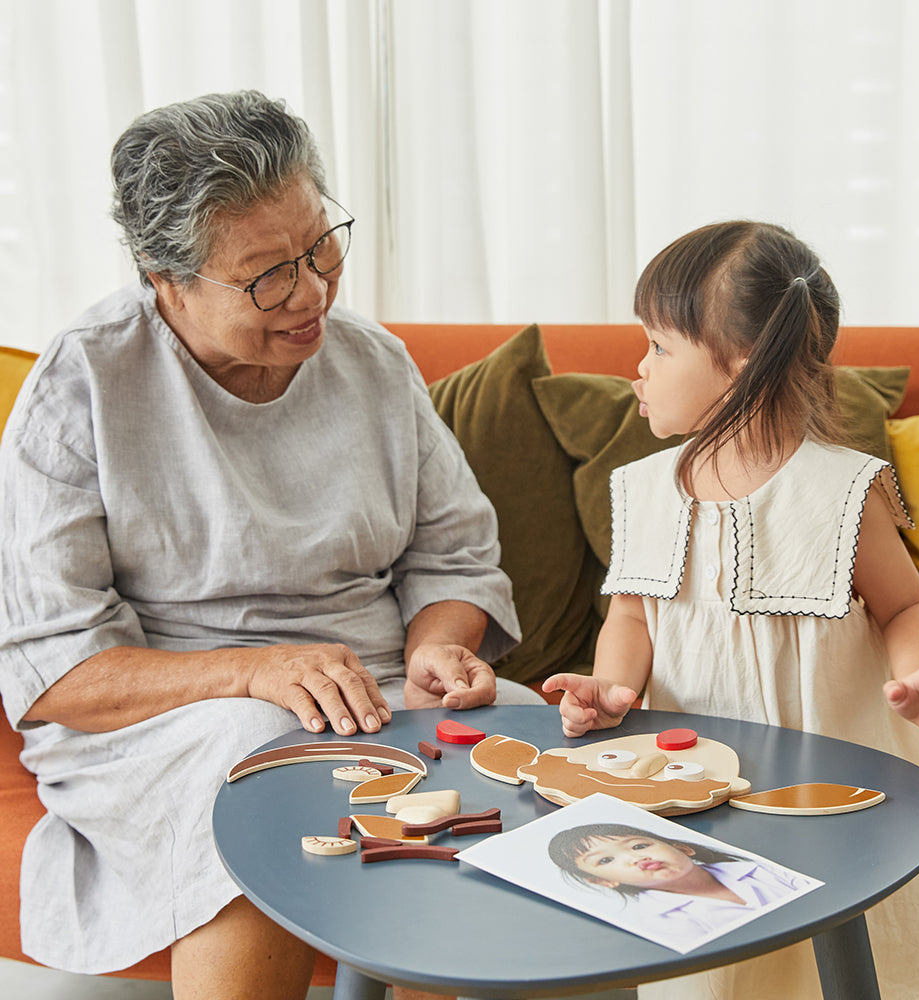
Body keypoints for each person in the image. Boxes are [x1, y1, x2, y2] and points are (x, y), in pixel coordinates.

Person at [0, 90, 541, 999]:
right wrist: (253, 671)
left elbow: (451, 557)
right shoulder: (85, 382)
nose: (313, 291)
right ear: (160, 274)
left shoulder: (371, 360)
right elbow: (57, 668)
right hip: (167, 714)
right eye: (266, 276)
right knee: (267, 763)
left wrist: (437, 647)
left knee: (511, 734)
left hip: (369, 685)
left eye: (321, 245)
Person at [543, 221, 919, 1000]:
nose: (637, 368)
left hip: (839, 792)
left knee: (909, 974)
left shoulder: (843, 490)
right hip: (703, 793)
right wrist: (612, 690)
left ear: (741, 361)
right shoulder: (646, 489)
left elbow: (905, 606)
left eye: (658, 345)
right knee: (727, 977)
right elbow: (632, 619)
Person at [548, 822, 814, 952]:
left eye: (639, 845)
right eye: (606, 860)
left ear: (682, 847)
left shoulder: (759, 868)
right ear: (605, 881)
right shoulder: (664, 923)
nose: (636, 858)